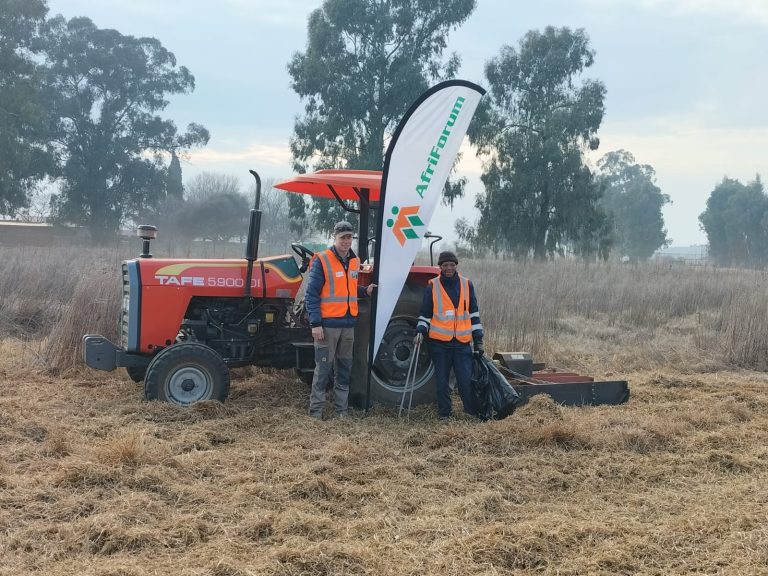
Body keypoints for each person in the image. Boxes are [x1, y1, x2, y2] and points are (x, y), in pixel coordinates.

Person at [305, 221, 375, 419]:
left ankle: (341, 412)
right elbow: (312, 294)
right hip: (327, 327)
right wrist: (315, 323)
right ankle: (315, 413)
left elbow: (348, 289)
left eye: (349, 237)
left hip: (347, 326)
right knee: (323, 370)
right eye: (342, 237)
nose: (346, 241)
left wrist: (365, 291)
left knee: (344, 369)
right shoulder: (322, 260)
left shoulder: (354, 261)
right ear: (334, 238)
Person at [415, 250, 484, 420]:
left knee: (465, 380)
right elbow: (425, 314)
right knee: (442, 383)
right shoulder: (432, 286)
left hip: (462, 344)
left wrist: (479, 341)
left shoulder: (467, 285)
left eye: (452, 265)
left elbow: (474, 314)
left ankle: (470, 412)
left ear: (456, 266)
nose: (449, 268)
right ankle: (445, 414)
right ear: (440, 267)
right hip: (440, 344)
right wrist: (420, 331)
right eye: (445, 265)